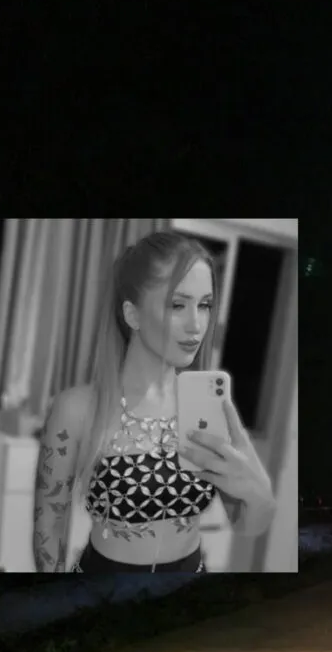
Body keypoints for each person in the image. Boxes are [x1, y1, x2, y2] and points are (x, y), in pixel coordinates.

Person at [31, 231, 276, 573]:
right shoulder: (76, 409)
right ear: (132, 315)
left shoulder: (208, 408)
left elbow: (248, 524)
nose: (196, 325)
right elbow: (48, 526)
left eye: (205, 305)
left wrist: (258, 490)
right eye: (177, 305)